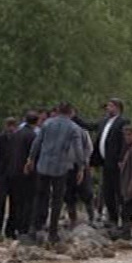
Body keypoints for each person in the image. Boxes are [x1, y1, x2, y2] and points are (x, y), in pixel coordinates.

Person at [25, 102, 86, 244]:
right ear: (70, 112)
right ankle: (53, 233)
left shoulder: (47, 123)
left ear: (58, 110)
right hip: (60, 167)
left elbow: (37, 142)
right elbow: (78, 149)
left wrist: (31, 159)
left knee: (40, 196)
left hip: (43, 165)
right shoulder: (73, 127)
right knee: (57, 199)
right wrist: (81, 167)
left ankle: (33, 228)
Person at [88, 98, 130, 228]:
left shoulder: (123, 122)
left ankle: (126, 220)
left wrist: (122, 158)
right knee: (108, 191)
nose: (108, 108)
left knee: (120, 191)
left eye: (110, 106)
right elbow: (90, 126)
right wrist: (74, 118)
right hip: (105, 162)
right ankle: (112, 218)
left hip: (116, 163)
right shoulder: (104, 121)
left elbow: (124, 142)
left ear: (117, 108)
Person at [9, 111, 39, 240]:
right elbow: (34, 155)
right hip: (28, 172)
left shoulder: (16, 134)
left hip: (14, 170)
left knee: (17, 201)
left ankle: (13, 227)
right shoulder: (33, 135)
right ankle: (24, 228)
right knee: (28, 200)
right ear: (37, 121)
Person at [0, 117, 20, 239]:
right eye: (9, 125)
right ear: (5, 126)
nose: (11, 128)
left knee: (15, 203)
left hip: (15, 175)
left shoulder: (18, 138)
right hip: (2, 175)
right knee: (1, 201)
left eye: (13, 125)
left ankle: (10, 229)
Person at [64, 107, 95, 226]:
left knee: (87, 192)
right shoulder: (62, 132)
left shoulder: (82, 131)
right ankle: (73, 219)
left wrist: (85, 162)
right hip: (66, 167)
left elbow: (89, 148)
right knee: (68, 194)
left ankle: (91, 217)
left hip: (81, 165)